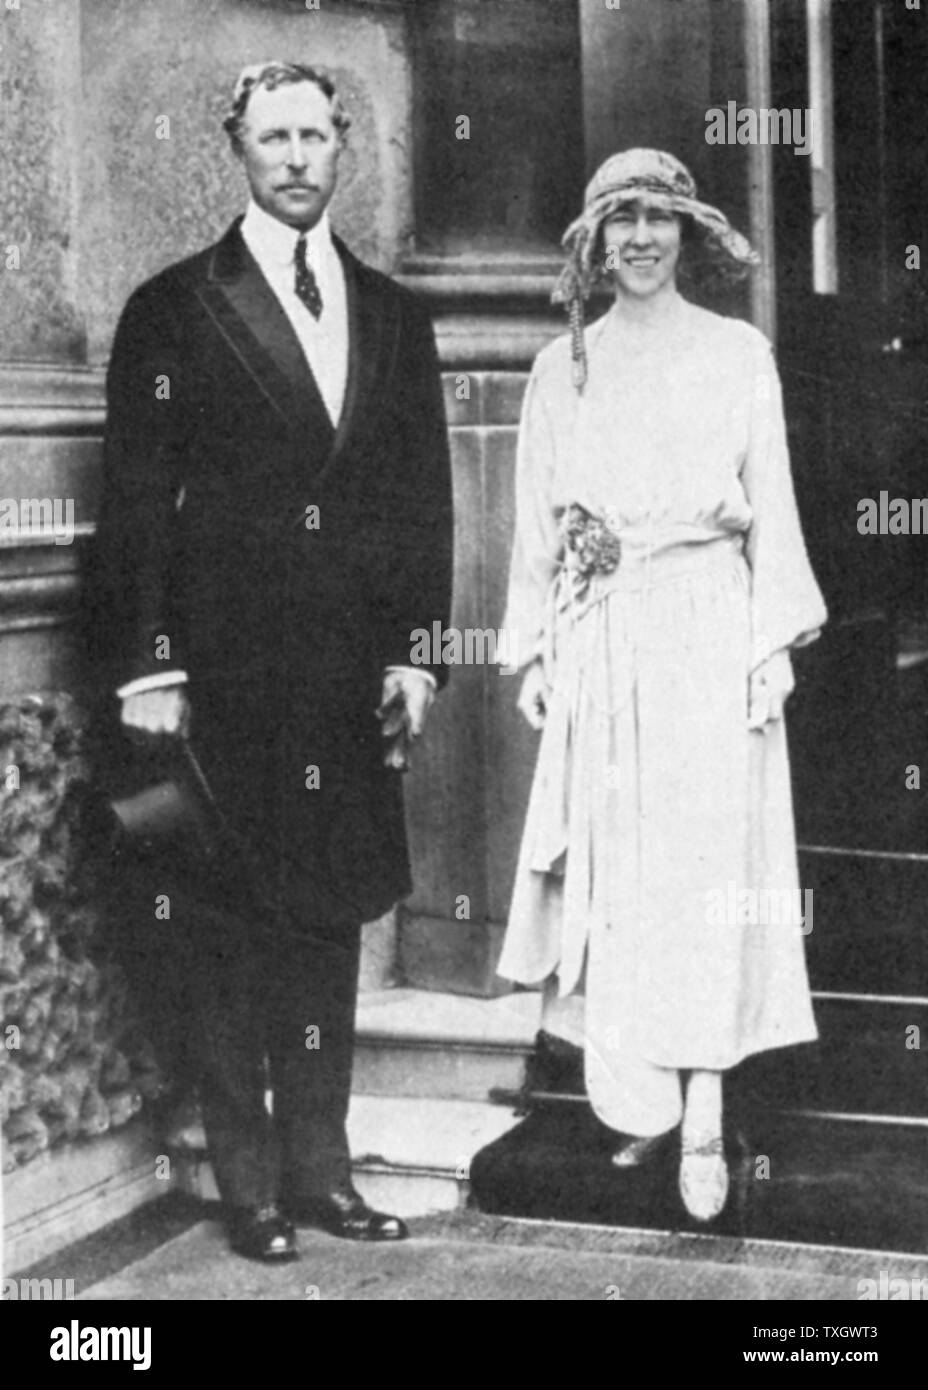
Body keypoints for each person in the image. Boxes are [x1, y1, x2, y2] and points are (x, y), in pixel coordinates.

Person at [89, 61, 452, 1261]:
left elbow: (419, 502)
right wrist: (149, 664)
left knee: (327, 924)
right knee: (227, 928)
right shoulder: (176, 306)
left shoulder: (395, 314)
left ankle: (322, 1173)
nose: (295, 156)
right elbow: (135, 502)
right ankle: (247, 1186)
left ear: (344, 148)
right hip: (227, 673)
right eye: (272, 136)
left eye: (314, 135)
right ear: (236, 149)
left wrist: (415, 652)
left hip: (346, 681)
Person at [498, 149, 827, 1222]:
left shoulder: (737, 351)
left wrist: (767, 639)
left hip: (706, 622)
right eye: (620, 220)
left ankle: (703, 1102)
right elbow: (540, 522)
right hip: (603, 632)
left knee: (702, 863)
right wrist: (539, 649)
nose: (639, 238)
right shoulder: (565, 367)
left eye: (659, 219)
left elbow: (770, 498)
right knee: (623, 873)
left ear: (689, 235)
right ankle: (640, 1092)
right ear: (593, 241)